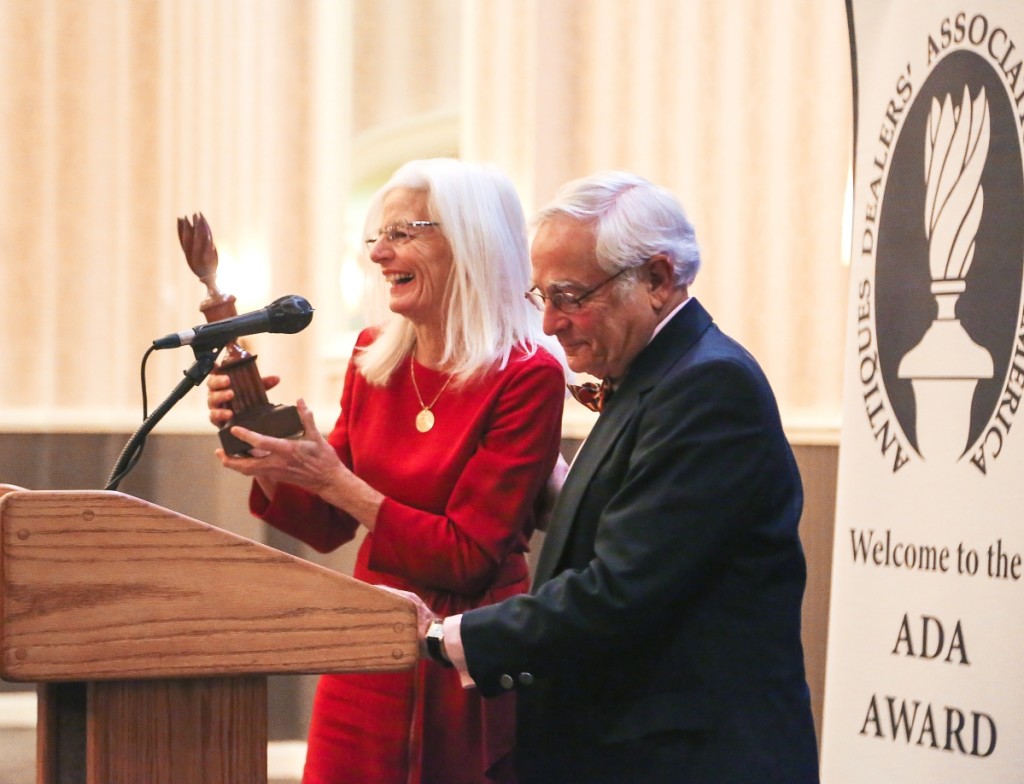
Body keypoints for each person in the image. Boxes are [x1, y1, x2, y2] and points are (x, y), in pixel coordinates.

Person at [403, 171, 821, 783]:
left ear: (656, 278)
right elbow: (631, 525)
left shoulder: (708, 387)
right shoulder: (660, 372)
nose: (549, 323)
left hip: (691, 760)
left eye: (569, 296)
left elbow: (622, 591)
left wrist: (446, 636)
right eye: (539, 296)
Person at [207, 158, 567, 784]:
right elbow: (325, 524)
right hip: (366, 651)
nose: (379, 254)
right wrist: (267, 455)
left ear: (470, 243)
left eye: (404, 233)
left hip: (467, 659)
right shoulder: (374, 355)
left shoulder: (528, 373)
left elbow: (470, 555)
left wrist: (332, 480)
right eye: (377, 235)